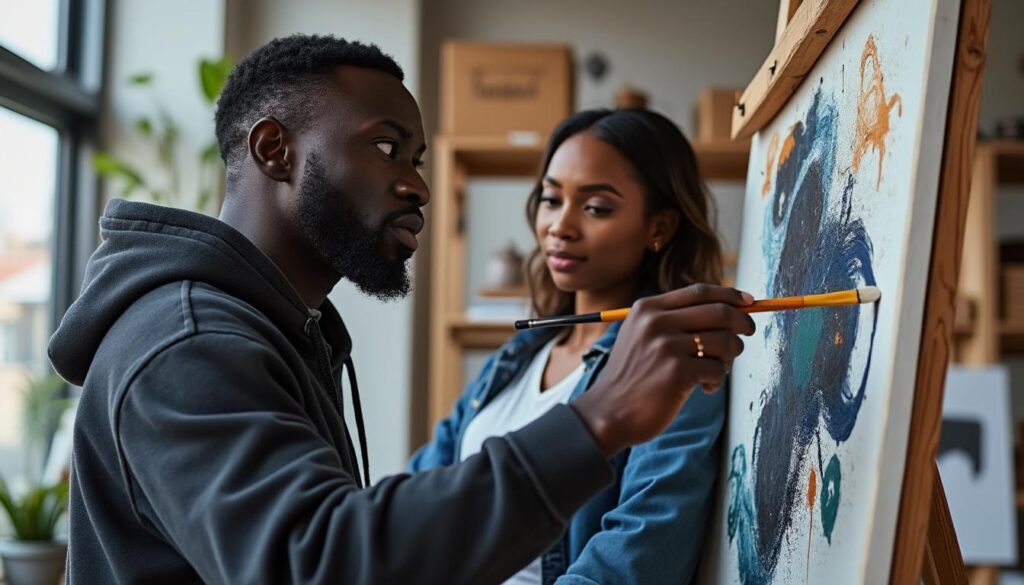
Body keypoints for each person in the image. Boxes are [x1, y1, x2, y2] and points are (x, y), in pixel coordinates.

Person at [48, 34, 755, 584]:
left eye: (417, 157)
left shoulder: (283, 331)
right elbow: (318, 564)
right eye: (388, 147)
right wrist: (597, 421)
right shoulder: (190, 342)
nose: (417, 186)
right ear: (274, 150)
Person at [411, 108, 726, 584]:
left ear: (659, 228)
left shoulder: (677, 362)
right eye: (551, 199)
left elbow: (640, 555)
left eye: (596, 207)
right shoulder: (517, 357)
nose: (561, 225)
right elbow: (418, 497)